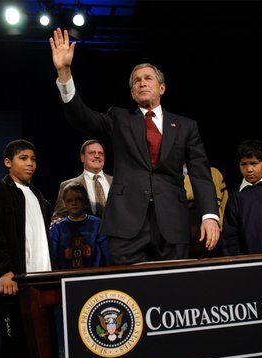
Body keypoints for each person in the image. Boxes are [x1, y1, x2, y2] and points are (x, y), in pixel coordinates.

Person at [49, 27, 220, 265]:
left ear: (162, 88)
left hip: (172, 223)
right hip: (126, 224)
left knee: (172, 291)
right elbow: (81, 117)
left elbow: (201, 174)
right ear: (132, 93)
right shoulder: (119, 119)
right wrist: (65, 73)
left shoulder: (185, 126)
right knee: (127, 293)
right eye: (136, 81)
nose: (142, 83)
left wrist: (210, 215)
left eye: (148, 78)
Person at [0, 139, 54, 358]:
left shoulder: (38, 196)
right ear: (7, 162)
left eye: (33, 159)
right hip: (11, 287)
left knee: (41, 349)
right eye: (23, 158)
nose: (30, 163)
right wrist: (4, 271)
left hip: (40, 286)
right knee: (14, 350)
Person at [51, 139, 113, 224]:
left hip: (116, 235)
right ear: (82, 157)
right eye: (92, 153)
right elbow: (60, 215)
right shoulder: (67, 185)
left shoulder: (116, 181)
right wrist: (57, 221)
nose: (97, 156)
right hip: (83, 235)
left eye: (101, 153)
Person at [50, 181, 109, 269]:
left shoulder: (98, 224)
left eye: (78, 199)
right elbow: (53, 256)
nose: (74, 203)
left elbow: (106, 253)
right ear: (64, 203)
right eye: (69, 200)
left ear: (85, 201)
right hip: (66, 277)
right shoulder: (58, 228)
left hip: (94, 275)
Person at [184, 164, 228, 258]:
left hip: (216, 239)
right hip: (187, 242)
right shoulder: (171, 177)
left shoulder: (214, 173)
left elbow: (225, 205)